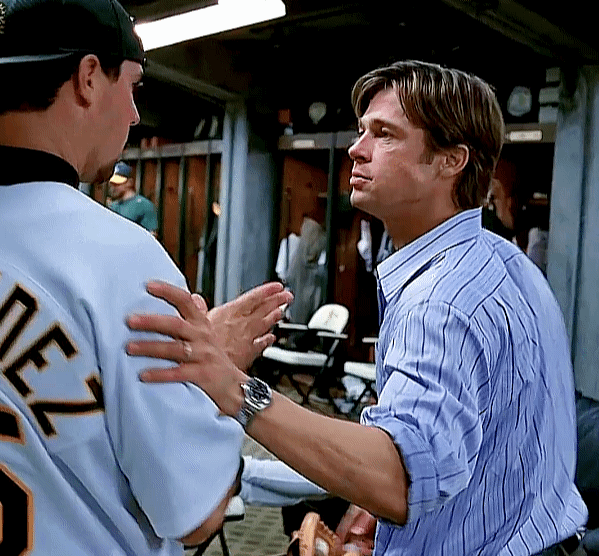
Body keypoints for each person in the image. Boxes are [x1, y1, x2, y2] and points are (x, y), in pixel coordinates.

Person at [126, 60, 587, 555]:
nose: (356, 148)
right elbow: (462, 449)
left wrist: (231, 385)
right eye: (362, 130)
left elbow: (400, 480)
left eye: (384, 134)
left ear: (450, 160)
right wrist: (349, 493)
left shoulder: (440, 300)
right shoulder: (508, 264)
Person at [0, 0, 293, 553]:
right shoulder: (120, 258)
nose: (135, 114)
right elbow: (195, 514)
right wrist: (210, 365)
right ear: (89, 77)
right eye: (133, 86)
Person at [108, 160, 159, 236]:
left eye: (118, 183)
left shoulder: (143, 205)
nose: (114, 187)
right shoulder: (114, 206)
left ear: (130, 182)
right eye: (112, 183)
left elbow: (152, 235)